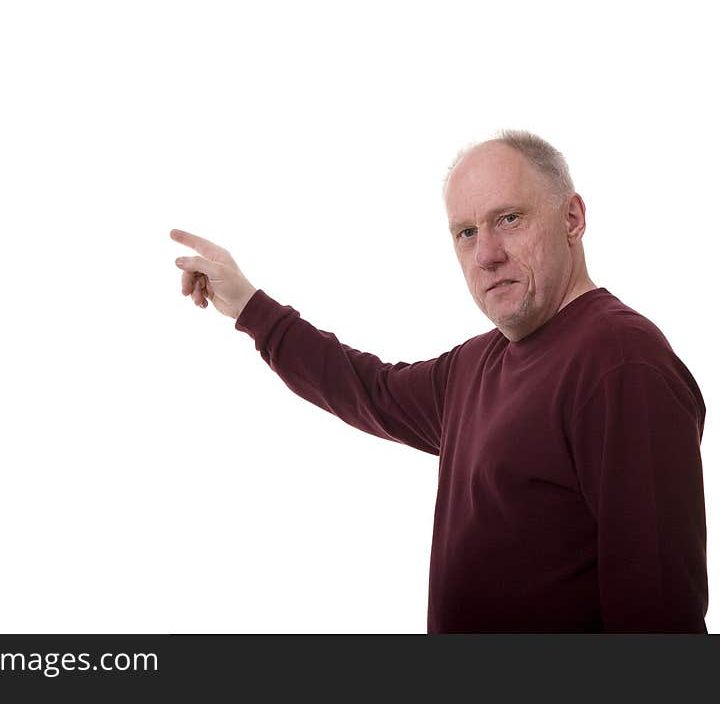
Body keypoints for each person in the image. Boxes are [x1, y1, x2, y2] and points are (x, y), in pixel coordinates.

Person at [170, 130, 708, 633]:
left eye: (510, 219)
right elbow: (367, 388)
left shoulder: (621, 362)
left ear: (572, 218)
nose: (486, 254)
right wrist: (248, 307)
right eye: (466, 232)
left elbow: (659, 616)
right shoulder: (476, 366)